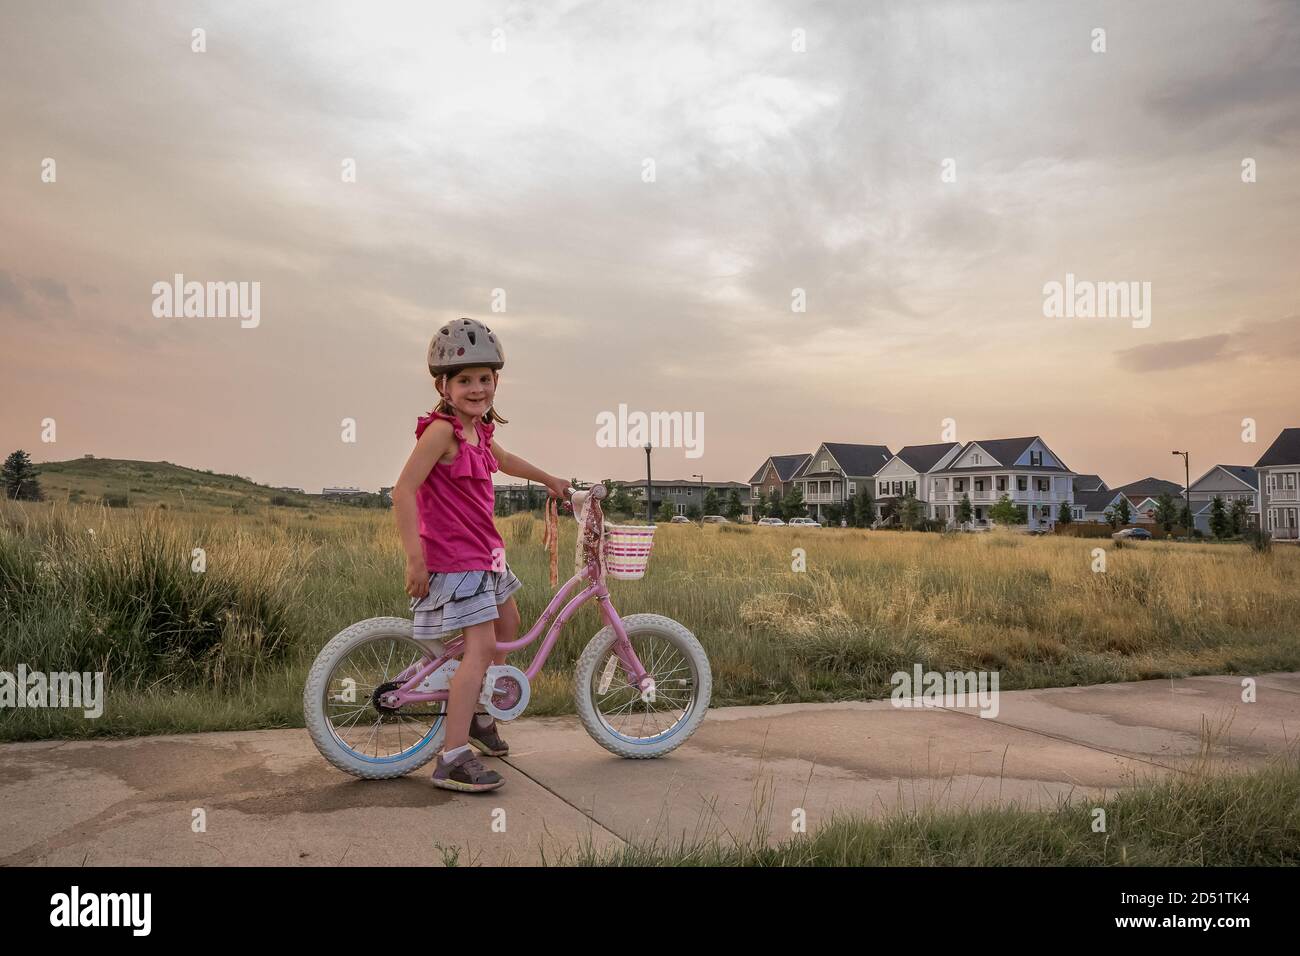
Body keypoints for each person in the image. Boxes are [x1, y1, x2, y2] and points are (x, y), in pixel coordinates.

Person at [392, 318, 568, 792]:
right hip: (456, 559)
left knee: (508, 627)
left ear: (496, 383)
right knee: (482, 648)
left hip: (487, 556)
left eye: (484, 379)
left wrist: (551, 479)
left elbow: (506, 462)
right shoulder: (441, 433)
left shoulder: (480, 433)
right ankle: (451, 757)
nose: (476, 388)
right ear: (443, 387)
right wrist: (415, 558)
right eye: (464, 380)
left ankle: (478, 713)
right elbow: (403, 491)